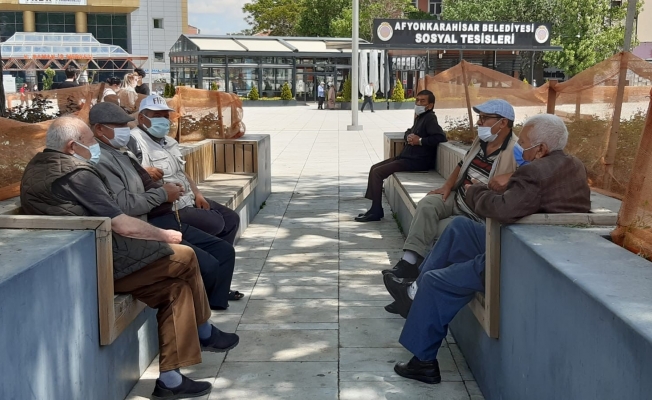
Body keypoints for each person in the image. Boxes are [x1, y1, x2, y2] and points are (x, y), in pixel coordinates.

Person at [20, 116, 240, 399]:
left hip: (90, 254)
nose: (95, 146)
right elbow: (121, 222)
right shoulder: (76, 174)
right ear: (73, 146)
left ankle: (171, 381)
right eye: (90, 142)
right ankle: (204, 331)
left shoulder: (44, 165)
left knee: (176, 289)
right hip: (96, 261)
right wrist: (163, 235)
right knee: (185, 256)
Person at [384, 114, 591, 384]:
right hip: (533, 243)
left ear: (540, 149)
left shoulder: (533, 171)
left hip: (517, 257)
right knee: (459, 227)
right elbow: (525, 199)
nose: (521, 147)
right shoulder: (572, 165)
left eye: (525, 143)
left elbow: (502, 209)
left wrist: (476, 191)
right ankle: (414, 292)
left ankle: (423, 362)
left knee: (436, 281)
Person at [91, 102, 239, 311]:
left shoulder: (123, 151)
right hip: (148, 225)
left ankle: (214, 303)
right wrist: (162, 194)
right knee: (206, 256)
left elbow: (173, 174)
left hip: (167, 210)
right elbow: (124, 205)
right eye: (119, 125)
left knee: (224, 249)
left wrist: (189, 192)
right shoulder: (107, 157)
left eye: (125, 124)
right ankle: (204, 324)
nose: (125, 130)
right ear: (99, 129)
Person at [381, 99, 518, 292]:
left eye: (485, 118)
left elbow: (532, 175)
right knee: (427, 204)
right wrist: (447, 186)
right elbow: (462, 164)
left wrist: (509, 176)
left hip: (475, 213)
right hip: (458, 197)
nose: (479, 123)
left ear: (503, 123)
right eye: (479, 117)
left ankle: (415, 288)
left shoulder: (515, 150)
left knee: (437, 230)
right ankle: (408, 263)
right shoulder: (482, 141)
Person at [130, 95, 244, 303]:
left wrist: (198, 193)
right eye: (157, 116)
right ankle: (210, 284)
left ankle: (217, 283)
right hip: (168, 207)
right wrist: (144, 170)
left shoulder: (169, 141)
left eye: (166, 116)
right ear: (142, 118)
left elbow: (183, 173)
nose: (164, 121)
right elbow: (131, 174)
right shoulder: (135, 142)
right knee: (215, 223)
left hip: (188, 198)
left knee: (231, 219)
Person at [356, 90, 447, 222]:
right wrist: (409, 137)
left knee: (378, 173)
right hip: (407, 157)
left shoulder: (430, 118)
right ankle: (374, 208)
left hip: (417, 161)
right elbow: (409, 131)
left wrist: (420, 141)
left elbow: (440, 137)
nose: (419, 103)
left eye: (423, 101)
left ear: (430, 105)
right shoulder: (420, 117)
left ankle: (376, 211)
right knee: (374, 168)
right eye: (417, 100)